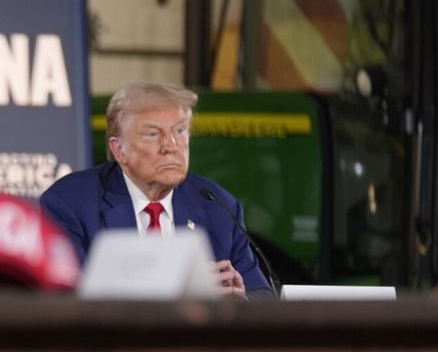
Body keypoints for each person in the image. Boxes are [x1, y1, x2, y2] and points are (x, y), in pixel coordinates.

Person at [40, 82, 273, 298]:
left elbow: (263, 296)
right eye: (152, 134)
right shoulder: (70, 203)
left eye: (180, 131)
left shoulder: (217, 206)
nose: (171, 146)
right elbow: (67, 299)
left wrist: (239, 299)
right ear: (119, 150)